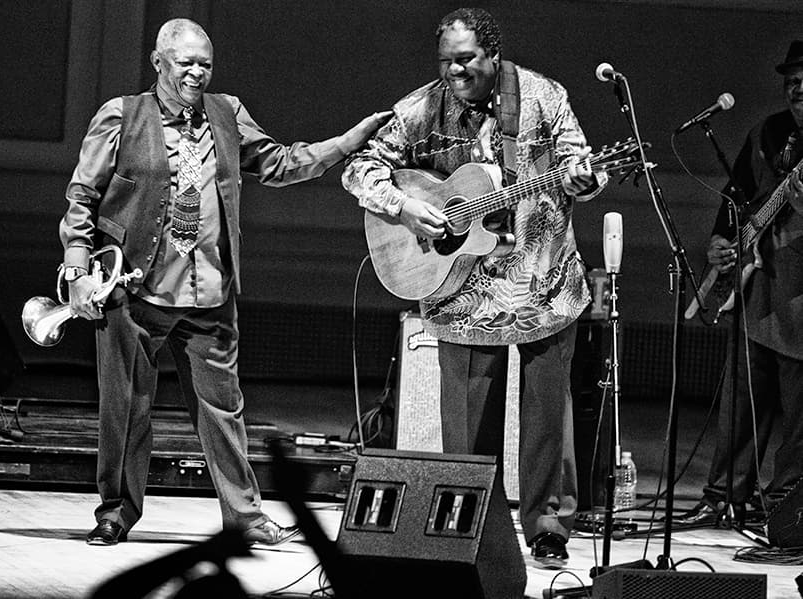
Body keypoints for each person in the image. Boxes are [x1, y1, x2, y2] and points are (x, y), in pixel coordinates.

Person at [59, 18, 390, 546]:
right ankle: (115, 515)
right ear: (158, 62)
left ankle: (247, 518)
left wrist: (345, 143)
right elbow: (82, 196)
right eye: (185, 62)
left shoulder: (227, 112)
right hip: (136, 290)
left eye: (205, 64)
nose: (196, 72)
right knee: (126, 408)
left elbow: (280, 163)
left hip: (209, 292)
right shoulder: (121, 116)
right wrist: (77, 266)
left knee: (224, 412)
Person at [342, 8, 605, 568]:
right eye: (445, 62)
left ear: (493, 54)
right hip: (461, 293)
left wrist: (584, 178)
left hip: (543, 281)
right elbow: (359, 169)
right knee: (466, 425)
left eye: (465, 60)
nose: (454, 72)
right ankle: (469, 526)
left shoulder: (543, 97)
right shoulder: (421, 107)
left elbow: (578, 165)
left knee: (546, 417)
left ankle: (548, 527)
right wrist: (407, 206)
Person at [677, 40, 803, 527]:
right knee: (741, 401)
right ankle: (725, 495)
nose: (798, 89)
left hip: (800, 298)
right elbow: (735, 199)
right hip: (757, 289)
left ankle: (787, 509)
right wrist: (720, 242)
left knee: (799, 415)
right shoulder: (767, 132)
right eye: (791, 80)